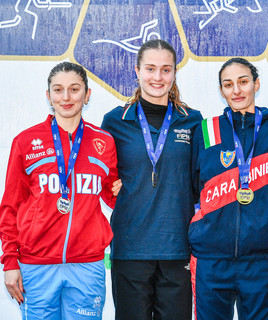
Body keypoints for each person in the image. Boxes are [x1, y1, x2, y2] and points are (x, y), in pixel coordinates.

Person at [189, 57, 268, 320]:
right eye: (228, 84)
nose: (236, 90)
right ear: (221, 91)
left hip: (262, 263)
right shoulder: (206, 131)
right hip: (211, 261)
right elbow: (191, 193)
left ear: (256, 84)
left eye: (243, 82)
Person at [0, 62, 118, 319]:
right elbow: (10, 207)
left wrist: (122, 191)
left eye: (74, 89)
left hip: (87, 265)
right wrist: (10, 261)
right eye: (58, 90)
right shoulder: (26, 142)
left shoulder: (104, 142)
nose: (66, 97)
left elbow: (111, 193)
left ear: (87, 95)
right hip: (36, 265)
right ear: (48, 96)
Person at [101, 39, 202, 320]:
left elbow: (201, 183)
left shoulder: (193, 121)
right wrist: (114, 190)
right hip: (130, 247)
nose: (158, 77)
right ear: (137, 70)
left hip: (177, 246)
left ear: (174, 73)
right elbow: (104, 180)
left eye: (166, 70)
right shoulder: (114, 121)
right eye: (150, 69)